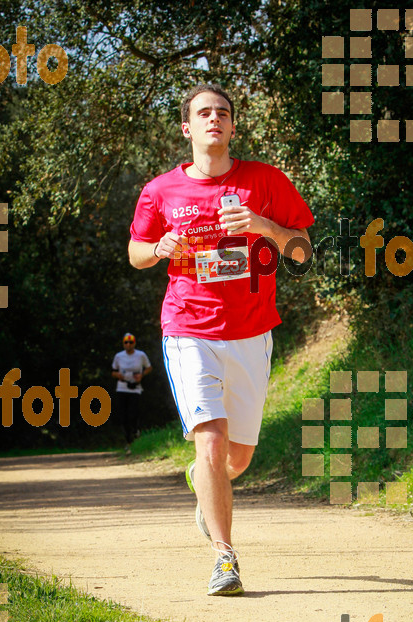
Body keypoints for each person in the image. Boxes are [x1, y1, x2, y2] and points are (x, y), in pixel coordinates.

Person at [128, 83, 314, 595]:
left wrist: (260, 226)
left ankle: (201, 481)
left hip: (252, 332)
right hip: (189, 329)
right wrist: (158, 248)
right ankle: (225, 558)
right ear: (187, 128)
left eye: (223, 113)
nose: (215, 119)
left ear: (233, 127)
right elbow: (135, 252)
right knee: (209, 439)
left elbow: (301, 251)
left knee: (238, 459)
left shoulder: (266, 182)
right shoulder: (160, 191)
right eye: (204, 113)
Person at [111, 333, 152, 452]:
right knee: (123, 416)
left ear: (134, 343)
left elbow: (149, 367)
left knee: (133, 413)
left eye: (131, 342)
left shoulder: (141, 355)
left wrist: (142, 375)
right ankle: (128, 440)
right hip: (122, 387)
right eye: (126, 342)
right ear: (123, 344)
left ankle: (136, 432)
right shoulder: (119, 356)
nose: (128, 344)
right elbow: (113, 371)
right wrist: (118, 375)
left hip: (135, 388)